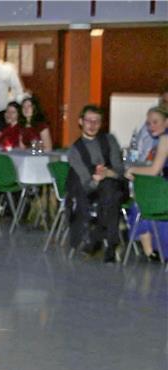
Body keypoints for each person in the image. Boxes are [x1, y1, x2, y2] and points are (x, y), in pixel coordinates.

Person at [66, 104, 127, 262]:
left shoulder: (109, 140)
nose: (92, 125)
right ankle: (111, 243)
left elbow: (120, 170)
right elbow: (86, 183)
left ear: (101, 123)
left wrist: (107, 173)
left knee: (110, 190)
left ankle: (98, 238)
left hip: (113, 186)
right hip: (89, 191)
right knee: (110, 195)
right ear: (81, 122)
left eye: (97, 121)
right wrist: (96, 179)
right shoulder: (75, 150)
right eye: (89, 121)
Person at [124, 106, 168, 261]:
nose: (151, 127)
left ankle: (150, 251)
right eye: (148, 123)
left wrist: (132, 170)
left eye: (155, 122)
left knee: (138, 204)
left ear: (166, 122)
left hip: (164, 194)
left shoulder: (165, 139)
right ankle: (152, 250)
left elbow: (154, 170)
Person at [133, 89, 168, 161]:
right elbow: (136, 150)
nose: (166, 106)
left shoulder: (164, 139)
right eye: (164, 102)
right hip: (143, 164)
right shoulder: (149, 125)